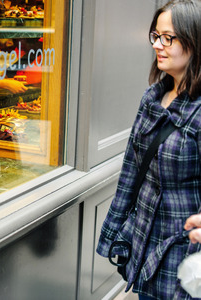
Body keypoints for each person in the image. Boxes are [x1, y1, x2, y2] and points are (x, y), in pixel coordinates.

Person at [96, 0, 201, 299]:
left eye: (168, 38)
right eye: (155, 36)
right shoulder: (153, 98)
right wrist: (113, 232)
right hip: (144, 238)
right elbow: (131, 170)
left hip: (185, 250)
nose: (157, 45)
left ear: (195, 41)